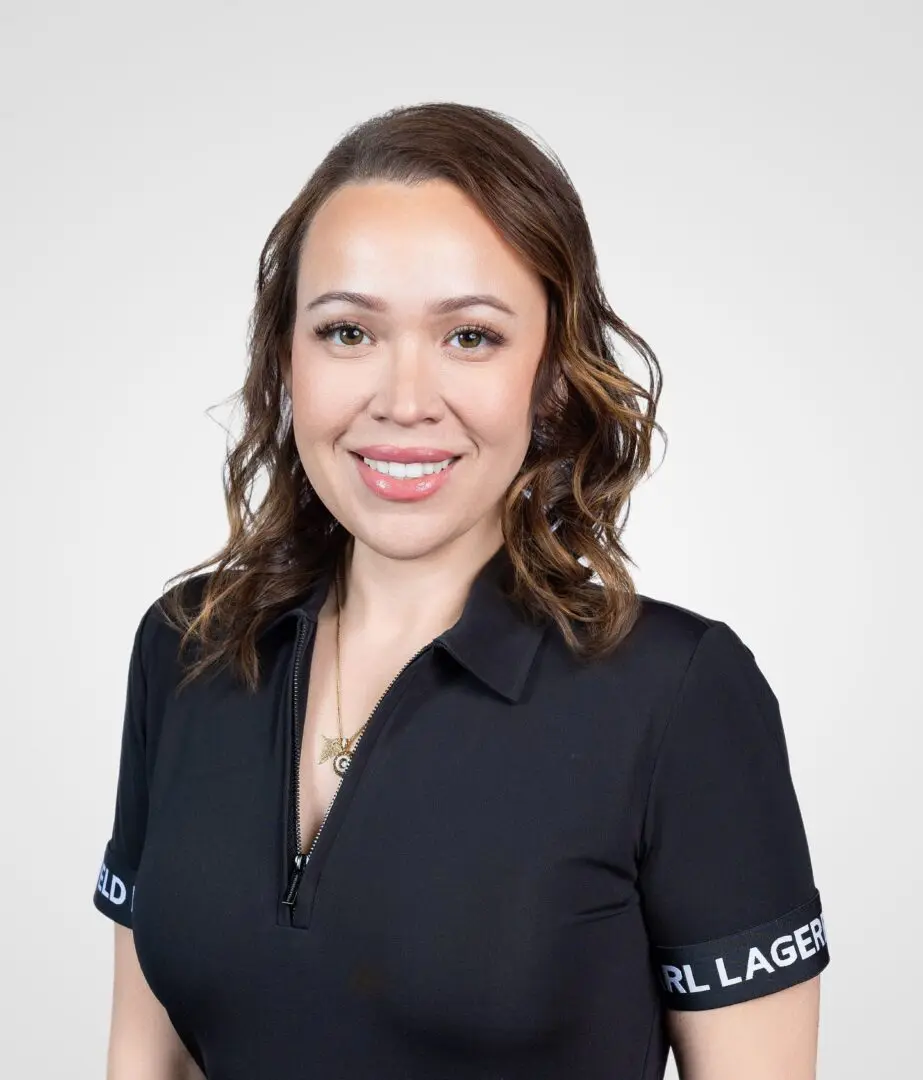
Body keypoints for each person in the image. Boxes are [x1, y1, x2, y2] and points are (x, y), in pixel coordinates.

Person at [92, 101, 830, 1080]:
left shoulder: (680, 697)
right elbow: (144, 1067)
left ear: (553, 377)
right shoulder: (186, 647)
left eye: (470, 337)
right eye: (347, 331)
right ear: (284, 363)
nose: (401, 400)